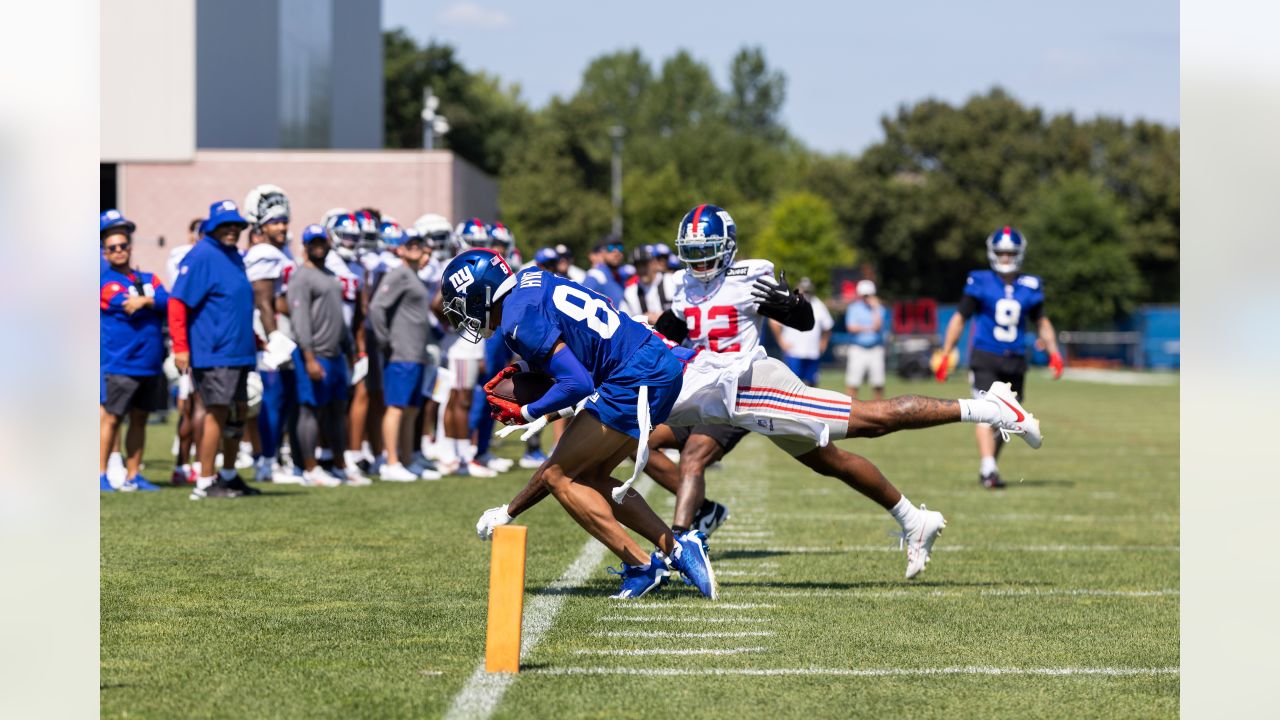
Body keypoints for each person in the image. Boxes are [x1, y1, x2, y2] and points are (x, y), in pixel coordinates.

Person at [495, 318, 1046, 581]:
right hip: (706, 399)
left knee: (868, 420)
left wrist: (509, 501)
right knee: (830, 461)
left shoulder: (588, 362)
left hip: (743, 387)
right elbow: (566, 461)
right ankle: (913, 519)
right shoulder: (597, 347)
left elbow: (556, 465)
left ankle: (991, 407)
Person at [443, 249, 717, 600]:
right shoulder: (532, 279)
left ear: (480, 293)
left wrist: (531, 412)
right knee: (590, 477)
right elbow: (577, 358)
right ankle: (678, 550)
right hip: (651, 363)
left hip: (634, 375)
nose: (462, 315)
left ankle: (642, 565)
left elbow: (577, 384)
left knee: (558, 475)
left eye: (462, 303)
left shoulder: (516, 321)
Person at [643, 204, 817, 537]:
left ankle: (680, 545)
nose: (699, 262)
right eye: (692, 253)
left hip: (738, 387)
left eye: (706, 252)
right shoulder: (685, 285)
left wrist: (796, 305)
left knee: (692, 456)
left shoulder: (748, 279)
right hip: (695, 386)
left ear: (727, 249)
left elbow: (804, 323)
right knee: (638, 443)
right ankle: (705, 510)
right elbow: (672, 331)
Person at [936, 226, 1064, 489]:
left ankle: (989, 468)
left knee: (1009, 418)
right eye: (1001, 253)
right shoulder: (980, 281)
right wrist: (946, 350)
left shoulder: (1030, 284)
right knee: (986, 412)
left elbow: (1041, 321)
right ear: (993, 253)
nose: (1005, 258)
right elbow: (960, 318)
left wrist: (1054, 354)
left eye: (1010, 253)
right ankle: (988, 467)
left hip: (1015, 359)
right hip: (986, 356)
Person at [169, 200, 259, 499]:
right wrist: (180, 346)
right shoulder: (203, 255)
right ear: (211, 227)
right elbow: (178, 302)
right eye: (225, 225)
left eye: (236, 225)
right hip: (215, 351)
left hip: (239, 351)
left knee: (238, 414)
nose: (232, 230)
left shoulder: (233, 256)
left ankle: (229, 476)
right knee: (216, 412)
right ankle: (205, 481)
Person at [286, 224, 367, 487]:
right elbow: (300, 322)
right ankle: (310, 468)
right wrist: (309, 357)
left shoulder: (330, 274)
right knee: (310, 411)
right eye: (314, 242)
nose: (319, 246)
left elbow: (339, 319)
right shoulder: (301, 277)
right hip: (315, 353)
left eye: (322, 241)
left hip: (335, 355)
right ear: (306, 246)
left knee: (335, 411)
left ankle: (340, 466)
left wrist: (349, 349)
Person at [99, 209, 166, 492]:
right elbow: (123, 304)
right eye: (112, 248)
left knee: (140, 419)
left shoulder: (148, 277)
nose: (119, 251)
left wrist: (146, 302)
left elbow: (167, 300)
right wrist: (148, 300)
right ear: (104, 252)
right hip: (120, 362)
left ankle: (133, 474)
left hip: (149, 363)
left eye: (123, 246)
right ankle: (100, 475)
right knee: (112, 418)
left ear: (130, 247)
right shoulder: (104, 281)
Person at [369, 228, 440, 481]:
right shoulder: (398, 273)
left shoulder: (413, 275)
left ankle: (407, 460)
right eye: (408, 244)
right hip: (400, 352)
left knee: (411, 409)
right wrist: (385, 341)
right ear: (398, 249)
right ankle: (391, 463)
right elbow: (377, 308)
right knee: (397, 407)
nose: (415, 247)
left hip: (415, 352)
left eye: (418, 243)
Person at [242, 184, 296, 482]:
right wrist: (273, 337)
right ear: (260, 226)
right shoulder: (263, 251)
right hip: (269, 332)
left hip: (282, 330)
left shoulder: (280, 250)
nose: (282, 226)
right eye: (275, 221)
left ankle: (272, 458)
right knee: (272, 399)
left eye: (284, 220)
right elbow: (263, 299)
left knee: (284, 398)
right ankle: (266, 462)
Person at [770, 277, 835, 386]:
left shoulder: (818, 305)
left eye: (808, 291)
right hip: (794, 352)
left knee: (811, 384)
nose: (806, 293)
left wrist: (823, 342)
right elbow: (774, 322)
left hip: (812, 352)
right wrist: (781, 341)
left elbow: (828, 325)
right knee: (792, 384)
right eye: (804, 290)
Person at [844, 279, 887, 400]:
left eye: (868, 295)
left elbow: (878, 326)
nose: (866, 298)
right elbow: (851, 327)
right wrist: (868, 328)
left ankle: (879, 414)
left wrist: (875, 309)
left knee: (878, 383)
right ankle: (851, 413)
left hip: (875, 348)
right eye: (864, 295)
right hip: (858, 348)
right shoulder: (854, 308)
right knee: (853, 383)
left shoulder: (879, 309)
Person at [622, 244, 675, 324]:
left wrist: (664, 317)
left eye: (644, 264)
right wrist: (644, 319)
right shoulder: (630, 293)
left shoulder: (672, 281)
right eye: (638, 266)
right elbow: (624, 322)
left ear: (654, 263)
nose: (642, 269)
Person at [581, 235, 627, 309]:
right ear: (602, 253)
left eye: (619, 247)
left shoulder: (623, 276)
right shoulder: (596, 275)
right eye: (611, 248)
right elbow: (581, 304)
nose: (616, 252)